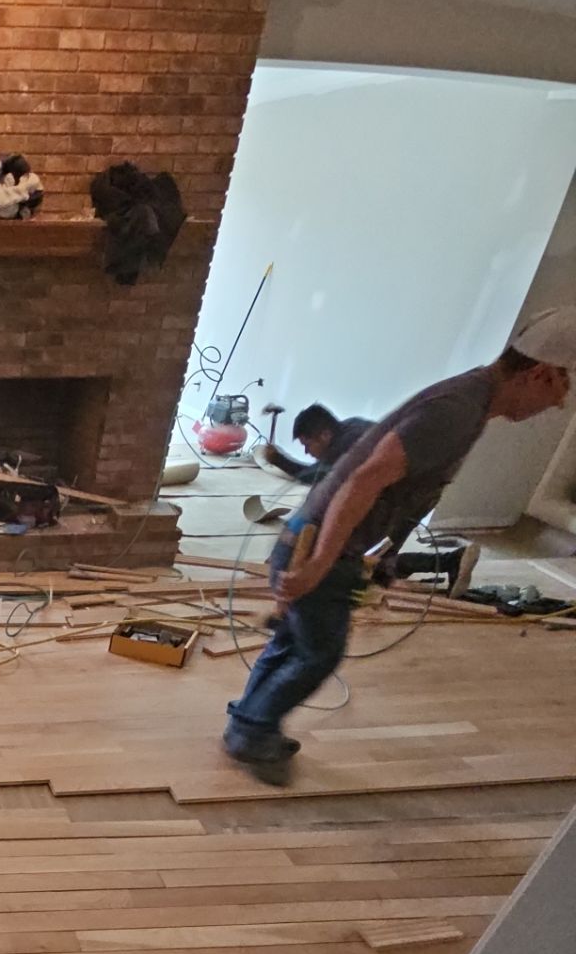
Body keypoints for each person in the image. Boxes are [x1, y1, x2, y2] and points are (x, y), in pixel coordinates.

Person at [222, 306, 576, 782]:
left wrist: (383, 558)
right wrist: (320, 563)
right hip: (321, 542)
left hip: (326, 539)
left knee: (294, 641)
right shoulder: (454, 412)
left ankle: (249, 722)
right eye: (561, 387)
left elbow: (395, 490)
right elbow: (364, 480)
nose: (557, 404)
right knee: (318, 653)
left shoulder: (468, 402)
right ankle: (251, 731)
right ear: (540, 373)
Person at [262, 401, 482, 596]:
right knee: (380, 563)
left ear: (325, 435)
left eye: (307, 445)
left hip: (405, 497)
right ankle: (452, 561)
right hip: (420, 489)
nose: (306, 452)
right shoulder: (351, 427)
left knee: (359, 562)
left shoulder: (345, 448)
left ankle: (450, 561)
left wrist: (285, 548)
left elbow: (316, 491)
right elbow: (319, 478)